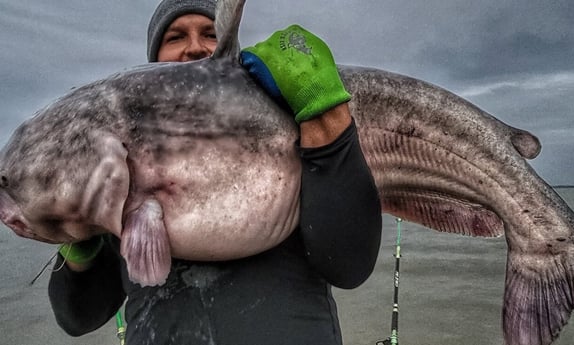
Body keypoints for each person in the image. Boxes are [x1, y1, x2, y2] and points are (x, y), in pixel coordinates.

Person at [48, 1, 382, 344]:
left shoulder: (291, 129)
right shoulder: (121, 172)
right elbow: (80, 317)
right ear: (149, 68)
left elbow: (349, 265)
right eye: (176, 36)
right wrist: (78, 237)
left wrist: (327, 120)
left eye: (210, 33)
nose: (194, 46)